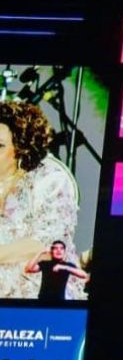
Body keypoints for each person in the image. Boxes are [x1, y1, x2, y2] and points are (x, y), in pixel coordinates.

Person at [0, 100, 85, 300]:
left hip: (35, 279)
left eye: (0, 146)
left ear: (21, 148)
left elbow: (46, 246)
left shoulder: (50, 179)